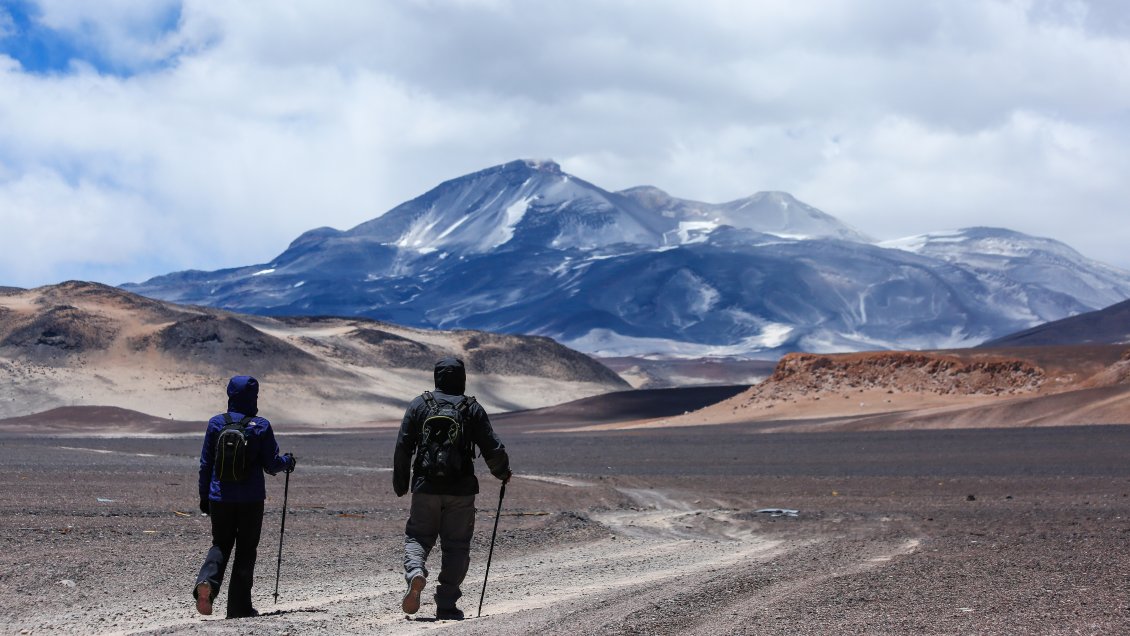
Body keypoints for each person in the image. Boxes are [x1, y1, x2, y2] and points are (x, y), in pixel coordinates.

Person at [394, 357, 512, 620]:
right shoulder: (472, 408)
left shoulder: (419, 405)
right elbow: (492, 447)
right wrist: (502, 473)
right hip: (461, 489)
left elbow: (403, 445)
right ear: (462, 378)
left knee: (418, 537)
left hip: (425, 487)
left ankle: (415, 573)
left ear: (436, 377)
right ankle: (446, 604)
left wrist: (401, 483)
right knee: (456, 546)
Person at [192, 375, 295, 619]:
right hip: (251, 500)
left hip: (220, 497)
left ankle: (207, 581)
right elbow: (271, 465)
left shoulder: (216, 424)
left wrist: (203, 496)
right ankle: (239, 608)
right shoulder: (261, 425)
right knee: (246, 550)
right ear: (253, 397)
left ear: (230, 396)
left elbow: (205, 464)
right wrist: (287, 462)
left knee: (220, 544)